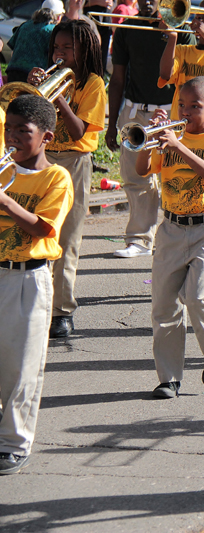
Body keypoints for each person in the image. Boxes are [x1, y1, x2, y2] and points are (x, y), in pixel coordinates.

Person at [134, 77, 204, 399]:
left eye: (195, 106)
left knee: (198, 296)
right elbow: (141, 169)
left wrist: (179, 146)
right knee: (163, 306)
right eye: (182, 106)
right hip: (171, 230)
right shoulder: (170, 139)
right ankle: (169, 378)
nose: (187, 112)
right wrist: (148, 140)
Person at [0, 95, 73, 475]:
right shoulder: (3, 169)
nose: (11, 137)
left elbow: (46, 228)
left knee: (21, 366)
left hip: (29, 275)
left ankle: (14, 442)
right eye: (8, 128)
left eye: (22, 131)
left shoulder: (56, 177)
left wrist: (6, 203)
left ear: (46, 136)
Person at [27, 19, 106, 339]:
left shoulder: (93, 85)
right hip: (43, 160)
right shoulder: (51, 77)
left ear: (84, 50)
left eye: (67, 49)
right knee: (37, 233)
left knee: (67, 238)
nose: (59, 53)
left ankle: (62, 310)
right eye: (56, 48)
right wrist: (35, 92)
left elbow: (78, 132)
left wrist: (59, 96)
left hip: (74, 161)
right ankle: (36, 304)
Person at [106, 0, 195, 259]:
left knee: (175, 174)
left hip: (172, 111)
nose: (147, 1)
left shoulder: (182, 30)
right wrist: (111, 124)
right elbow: (118, 78)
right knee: (136, 177)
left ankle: (177, 237)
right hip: (135, 111)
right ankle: (140, 239)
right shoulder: (127, 29)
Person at [5, 3, 62, 84]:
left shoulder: (25, 25)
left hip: (13, 71)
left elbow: (13, 49)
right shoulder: (53, 30)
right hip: (34, 76)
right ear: (59, 17)